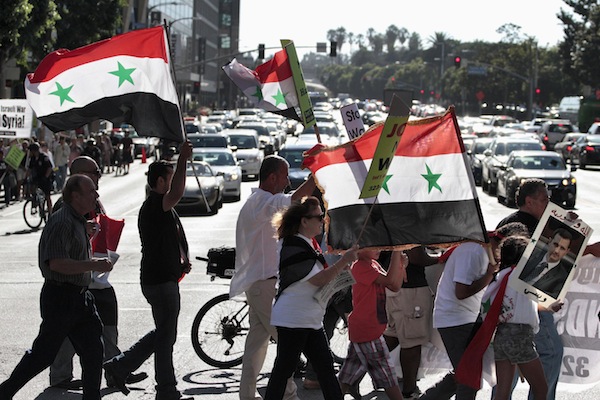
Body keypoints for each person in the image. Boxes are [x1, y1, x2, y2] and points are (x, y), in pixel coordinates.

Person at [0, 174, 112, 400]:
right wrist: (93, 264)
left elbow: (70, 251)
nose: (96, 195)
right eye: (91, 191)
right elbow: (58, 264)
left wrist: (85, 232)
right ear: (75, 195)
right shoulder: (61, 221)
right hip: (61, 297)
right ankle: (5, 392)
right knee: (43, 355)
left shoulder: (78, 220)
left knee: (93, 351)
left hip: (80, 298)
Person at [102, 141, 194, 400]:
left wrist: (181, 261)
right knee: (166, 335)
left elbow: (171, 238)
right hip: (160, 281)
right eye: (170, 178)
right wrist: (184, 159)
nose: (173, 182)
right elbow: (177, 194)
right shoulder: (155, 204)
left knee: (165, 334)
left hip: (164, 277)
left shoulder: (161, 207)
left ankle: (128, 370)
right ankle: (158, 385)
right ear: (161, 182)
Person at [48, 156, 147, 390]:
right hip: (77, 279)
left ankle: (117, 367)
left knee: (108, 324)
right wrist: (87, 232)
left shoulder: (93, 199)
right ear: (77, 175)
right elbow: (61, 248)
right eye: (95, 172)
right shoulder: (65, 207)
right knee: (68, 332)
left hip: (98, 277)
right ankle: (60, 376)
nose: (99, 177)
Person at [229, 154, 316, 400]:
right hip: (263, 285)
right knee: (288, 344)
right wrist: (317, 174)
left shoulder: (256, 202)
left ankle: (247, 395)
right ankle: (288, 396)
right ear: (272, 177)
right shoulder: (263, 202)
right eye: (285, 175)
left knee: (256, 346)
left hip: (259, 284)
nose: (287, 180)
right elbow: (296, 198)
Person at [419, 222, 529, 400]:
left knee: (462, 373)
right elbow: (461, 292)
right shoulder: (474, 250)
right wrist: (488, 275)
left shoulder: (487, 253)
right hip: (455, 320)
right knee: (468, 380)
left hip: (470, 319)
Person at [264, 196, 358, 400]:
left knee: (325, 370)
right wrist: (343, 263)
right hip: (294, 319)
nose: (322, 220)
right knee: (283, 372)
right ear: (304, 221)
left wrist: (343, 270)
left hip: (309, 319)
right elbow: (318, 280)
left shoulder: (307, 244)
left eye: (322, 216)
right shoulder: (293, 245)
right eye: (317, 217)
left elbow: (321, 278)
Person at [337, 247, 407, 400]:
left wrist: (401, 265)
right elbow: (390, 281)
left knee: (347, 375)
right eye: (373, 246)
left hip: (369, 326)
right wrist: (396, 252)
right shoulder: (361, 266)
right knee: (387, 375)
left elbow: (394, 285)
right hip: (367, 328)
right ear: (359, 249)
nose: (379, 249)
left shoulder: (372, 264)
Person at [488, 235, 550, 400]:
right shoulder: (521, 276)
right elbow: (545, 266)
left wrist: (547, 306)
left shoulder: (502, 276)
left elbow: (516, 303)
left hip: (501, 335)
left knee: (502, 392)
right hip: (520, 336)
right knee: (541, 389)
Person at [383, 246, 440, 399]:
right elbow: (416, 256)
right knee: (412, 342)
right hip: (410, 289)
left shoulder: (394, 222)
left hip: (397, 287)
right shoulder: (409, 224)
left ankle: (352, 376)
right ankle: (409, 390)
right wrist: (441, 257)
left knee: (391, 336)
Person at [520, 228, 573, 300]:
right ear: (550, 241)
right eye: (555, 244)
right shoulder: (530, 255)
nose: (556, 251)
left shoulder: (562, 277)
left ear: (567, 251)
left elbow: (554, 299)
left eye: (562, 248)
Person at [27, 142, 54, 212]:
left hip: (46, 178)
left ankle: (50, 210)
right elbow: (29, 169)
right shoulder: (33, 159)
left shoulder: (44, 157)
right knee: (33, 188)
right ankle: (35, 204)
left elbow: (49, 168)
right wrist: (25, 178)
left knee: (47, 196)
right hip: (37, 177)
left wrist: (45, 177)